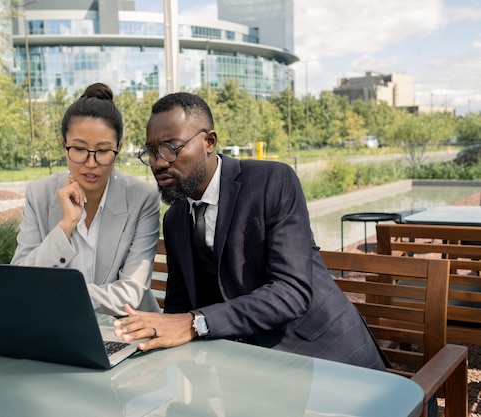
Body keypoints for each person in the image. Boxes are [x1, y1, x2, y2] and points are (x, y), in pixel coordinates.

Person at [113, 91, 387, 371]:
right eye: (151, 152)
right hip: (247, 367)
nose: (159, 162)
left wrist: (197, 323)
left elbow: (292, 292)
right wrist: (152, 343)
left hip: (324, 358)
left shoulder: (273, 181)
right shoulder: (175, 219)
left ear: (209, 141)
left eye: (171, 148)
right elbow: (179, 307)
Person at [11, 83, 161, 317]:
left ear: (118, 149)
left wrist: (58, 295)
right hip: (57, 328)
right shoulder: (38, 194)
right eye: (79, 149)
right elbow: (20, 281)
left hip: (127, 330)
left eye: (102, 151)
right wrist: (66, 226)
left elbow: (131, 292)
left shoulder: (143, 198)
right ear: (64, 145)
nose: (91, 163)